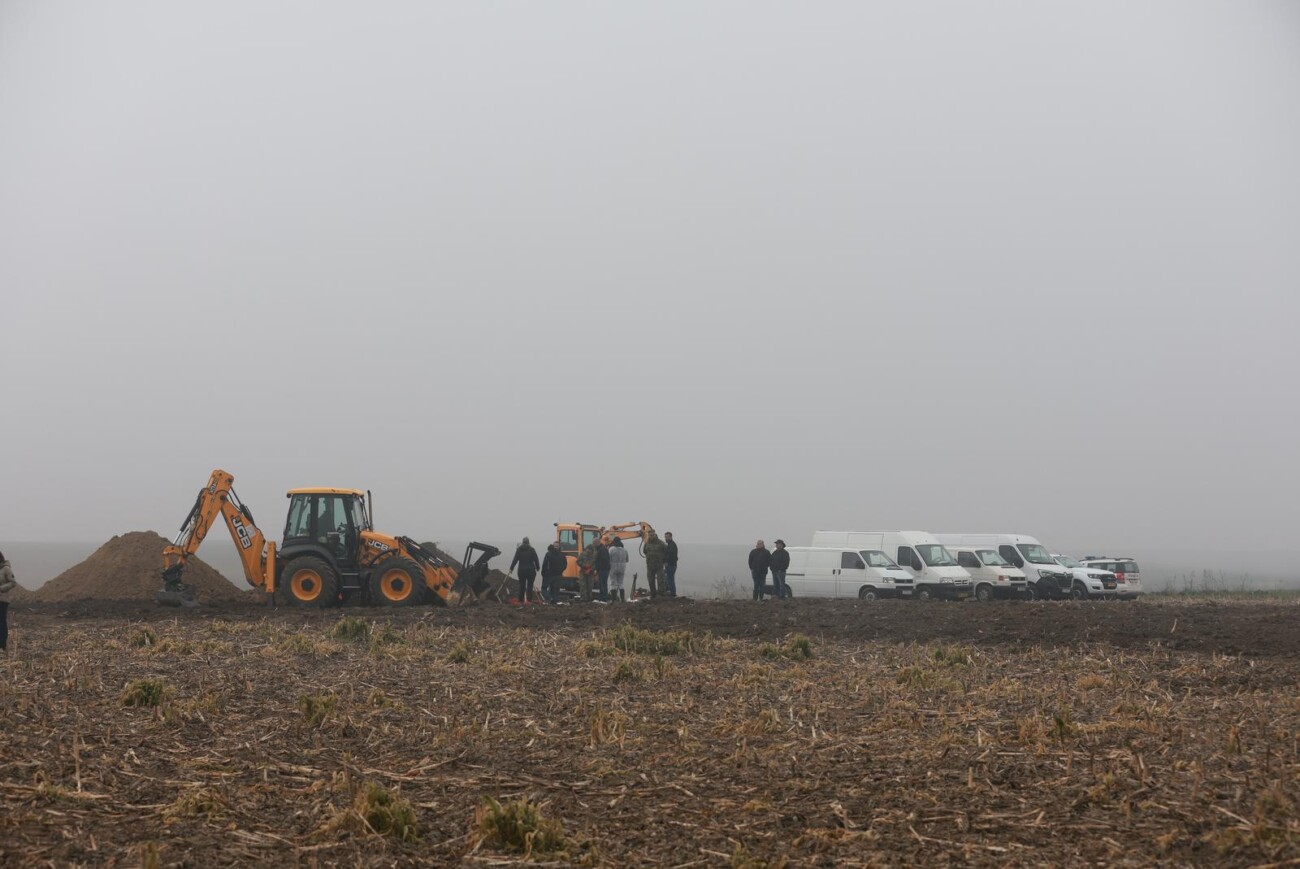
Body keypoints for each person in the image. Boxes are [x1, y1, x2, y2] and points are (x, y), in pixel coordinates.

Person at [509, 537, 540, 603]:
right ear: (528, 542)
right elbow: (536, 559)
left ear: (522, 542)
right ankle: (529, 600)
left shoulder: (519, 550)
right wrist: (538, 568)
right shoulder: (532, 550)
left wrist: (511, 568)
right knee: (530, 586)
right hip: (531, 570)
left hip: (521, 571)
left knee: (522, 586)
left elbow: (515, 560)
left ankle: (521, 600)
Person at [643, 531, 667, 598]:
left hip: (659, 565)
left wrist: (664, 561)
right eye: (650, 535)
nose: (651, 536)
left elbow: (666, 552)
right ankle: (653, 594)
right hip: (650, 565)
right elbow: (644, 551)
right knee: (650, 580)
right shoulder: (647, 543)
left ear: (655, 535)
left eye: (652, 535)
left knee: (660, 580)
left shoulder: (661, 543)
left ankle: (661, 594)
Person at [0, 551, 15, 656]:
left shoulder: (6, 569)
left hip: (2, 600)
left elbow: (13, 582)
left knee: (1, 622)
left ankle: (2, 646)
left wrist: (1, 588)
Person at [608, 538, 629, 602]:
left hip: (613, 568)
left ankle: (613, 600)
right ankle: (622, 599)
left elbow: (608, 559)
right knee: (621, 583)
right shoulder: (625, 550)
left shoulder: (611, 549)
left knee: (613, 583)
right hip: (622, 568)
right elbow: (627, 560)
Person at [663, 532, 679, 597]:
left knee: (670, 580)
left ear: (670, 537)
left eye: (667, 537)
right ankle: (671, 592)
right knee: (669, 579)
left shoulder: (672, 545)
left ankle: (673, 594)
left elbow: (671, 556)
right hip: (671, 565)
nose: (666, 538)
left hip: (671, 565)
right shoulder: (670, 545)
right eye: (665, 537)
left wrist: (666, 561)